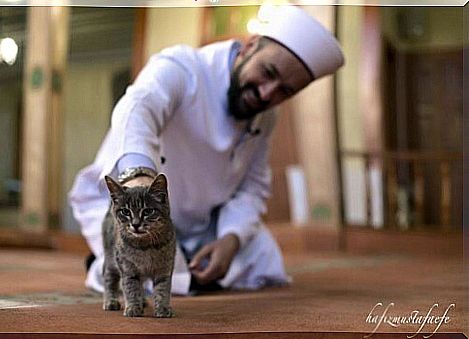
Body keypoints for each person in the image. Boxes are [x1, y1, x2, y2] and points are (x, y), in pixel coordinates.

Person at [69, 5, 344, 295]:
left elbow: (253, 187)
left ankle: (188, 268)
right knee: (145, 267)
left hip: (200, 225)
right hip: (135, 210)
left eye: (284, 91)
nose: (267, 93)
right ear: (249, 47)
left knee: (263, 257)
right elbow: (137, 108)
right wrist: (139, 179)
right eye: (268, 72)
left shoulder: (267, 115)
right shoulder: (184, 67)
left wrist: (230, 240)